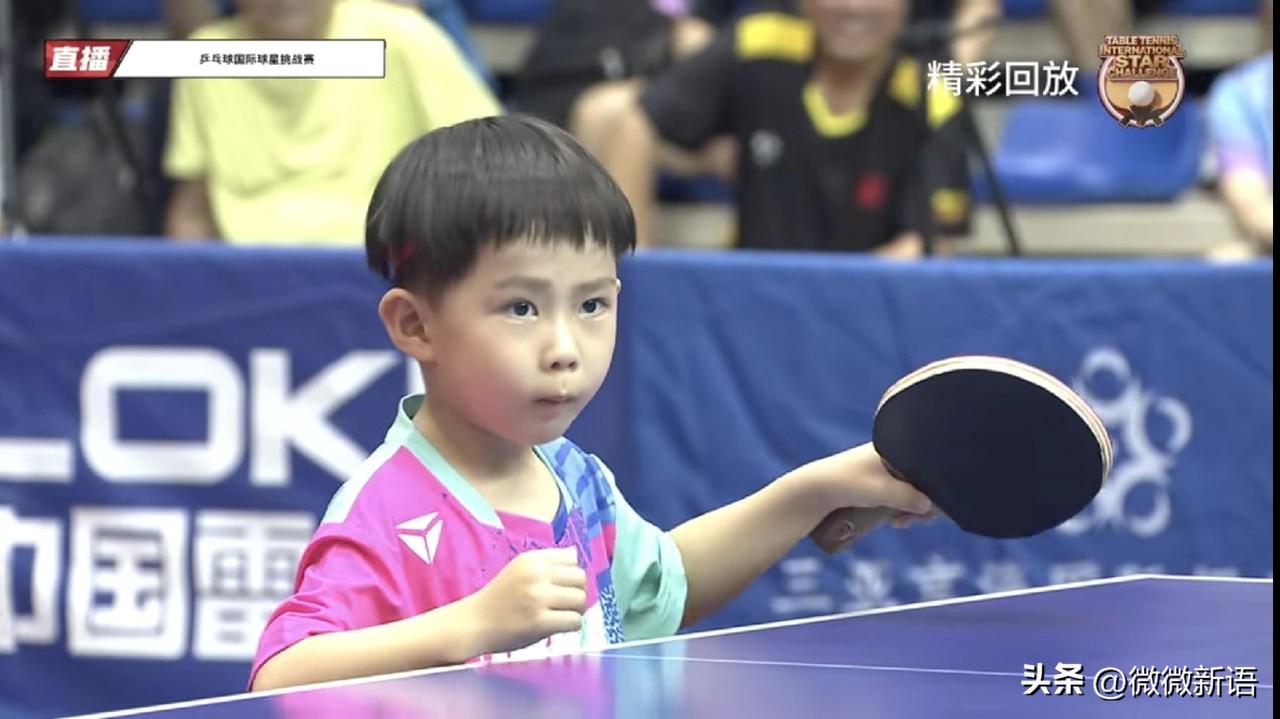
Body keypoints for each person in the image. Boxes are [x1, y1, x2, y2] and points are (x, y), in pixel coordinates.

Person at [249, 114, 935, 691]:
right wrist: (468, 625)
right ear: (415, 325)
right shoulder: (386, 508)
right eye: (521, 307)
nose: (564, 348)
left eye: (591, 305)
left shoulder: (574, 476)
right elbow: (279, 676)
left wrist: (815, 490)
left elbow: (663, 589)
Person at [599, 0, 976, 254]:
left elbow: (932, 243)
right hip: (751, 296)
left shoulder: (933, 92)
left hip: (867, 314)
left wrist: (827, 296)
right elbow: (637, 122)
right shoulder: (758, 42)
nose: (854, 7)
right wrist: (637, 264)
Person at [162, 0, 501, 246]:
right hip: (253, 274)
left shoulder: (404, 36)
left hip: (391, 266)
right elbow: (193, 210)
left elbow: (494, 163)